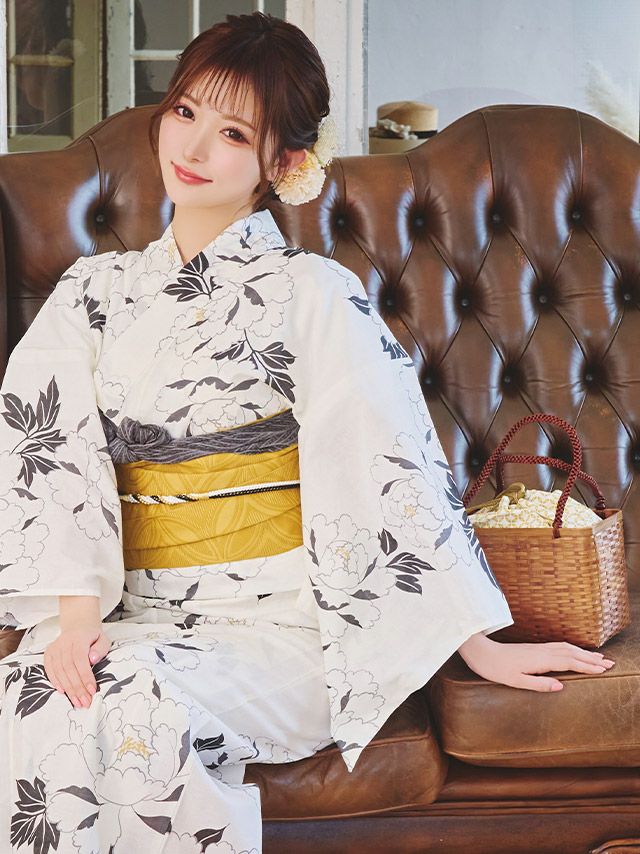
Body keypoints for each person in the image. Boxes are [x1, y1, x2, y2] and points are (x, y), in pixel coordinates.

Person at [0, 10, 615, 853]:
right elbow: (49, 450)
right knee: (39, 699)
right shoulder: (91, 294)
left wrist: (476, 642)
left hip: (283, 633)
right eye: (184, 112)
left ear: (284, 164)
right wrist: (75, 619)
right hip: (129, 617)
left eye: (233, 133)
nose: (194, 146)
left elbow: (385, 461)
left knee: (129, 703)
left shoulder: (314, 293)